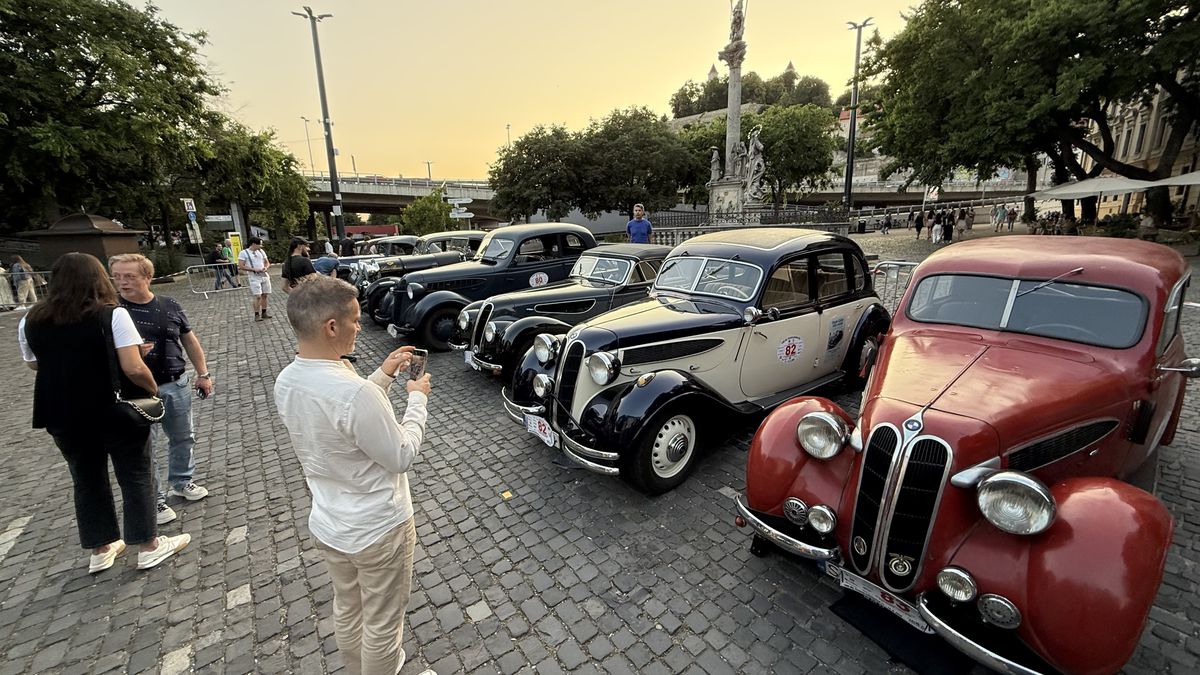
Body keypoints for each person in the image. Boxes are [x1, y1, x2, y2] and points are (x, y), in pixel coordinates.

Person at [274, 275, 433, 675]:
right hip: (378, 527)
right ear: (332, 326)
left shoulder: (288, 381)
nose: (359, 328)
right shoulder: (353, 393)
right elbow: (400, 454)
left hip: (330, 523)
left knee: (348, 606)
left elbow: (344, 419)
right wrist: (417, 399)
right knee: (382, 620)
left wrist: (384, 375)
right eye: (356, 320)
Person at [18, 253, 190, 572]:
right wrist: (151, 389)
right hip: (113, 408)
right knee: (135, 473)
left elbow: (33, 363)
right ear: (98, 279)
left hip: (61, 412)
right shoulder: (112, 315)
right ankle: (148, 544)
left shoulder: (31, 319)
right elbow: (134, 367)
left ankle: (101, 548)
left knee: (85, 478)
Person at [111, 253, 213, 526]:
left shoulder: (170, 305)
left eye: (129, 276)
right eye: (117, 276)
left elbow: (189, 341)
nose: (122, 282)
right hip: (137, 390)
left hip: (175, 381)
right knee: (146, 447)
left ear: (147, 277)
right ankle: (153, 499)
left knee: (183, 437)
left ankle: (182, 481)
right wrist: (131, 354)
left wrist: (203, 373)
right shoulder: (112, 311)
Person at [238, 237, 272, 321]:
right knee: (258, 296)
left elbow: (267, 262)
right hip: (254, 276)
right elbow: (241, 266)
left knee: (265, 294)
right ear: (253, 244)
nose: (261, 246)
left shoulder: (261, 251)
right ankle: (256, 314)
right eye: (259, 244)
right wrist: (253, 269)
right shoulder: (244, 253)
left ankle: (264, 312)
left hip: (264, 275)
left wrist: (265, 267)